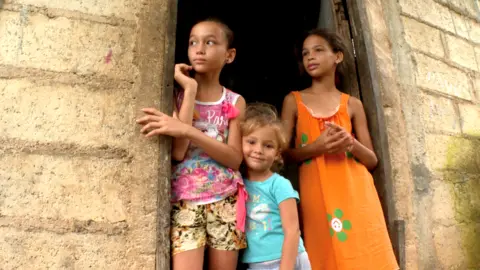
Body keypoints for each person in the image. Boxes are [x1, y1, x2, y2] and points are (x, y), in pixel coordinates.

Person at [281, 29, 399, 270]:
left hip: (356, 193)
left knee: (365, 254)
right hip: (317, 193)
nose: (310, 57)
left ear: (338, 57)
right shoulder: (293, 101)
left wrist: (351, 143)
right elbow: (282, 155)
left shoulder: (352, 105)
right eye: (305, 53)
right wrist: (315, 147)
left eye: (318, 50)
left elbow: (372, 160)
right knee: (326, 255)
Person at [136, 18, 247, 270]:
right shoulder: (175, 96)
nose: (199, 49)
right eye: (193, 42)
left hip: (225, 200)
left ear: (229, 55)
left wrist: (187, 129)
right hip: (185, 199)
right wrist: (190, 89)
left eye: (210, 42)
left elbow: (234, 158)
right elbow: (178, 151)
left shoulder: (234, 101)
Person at [240, 103, 311, 270]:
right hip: (257, 263)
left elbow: (292, 231)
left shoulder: (279, 185)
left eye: (268, 146)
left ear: (277, 153)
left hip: (288, 259)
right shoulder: (238, 183)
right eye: (251, 142)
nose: (258, 150)